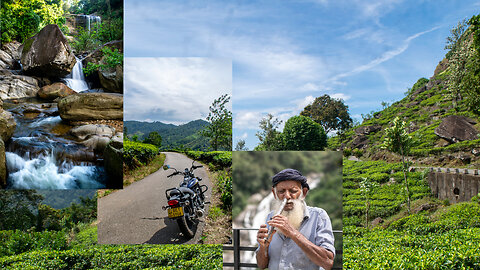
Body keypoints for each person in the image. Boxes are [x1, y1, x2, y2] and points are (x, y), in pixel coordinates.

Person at [256, 168, 335, 270]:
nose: (287, 196)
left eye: (293, 191)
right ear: (274, 193)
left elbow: (328, 262)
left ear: (304, 193)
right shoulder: (270, 217)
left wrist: (292, 233)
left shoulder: (319, 216)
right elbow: (261, 265)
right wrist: (263, 248)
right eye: (281, 191)